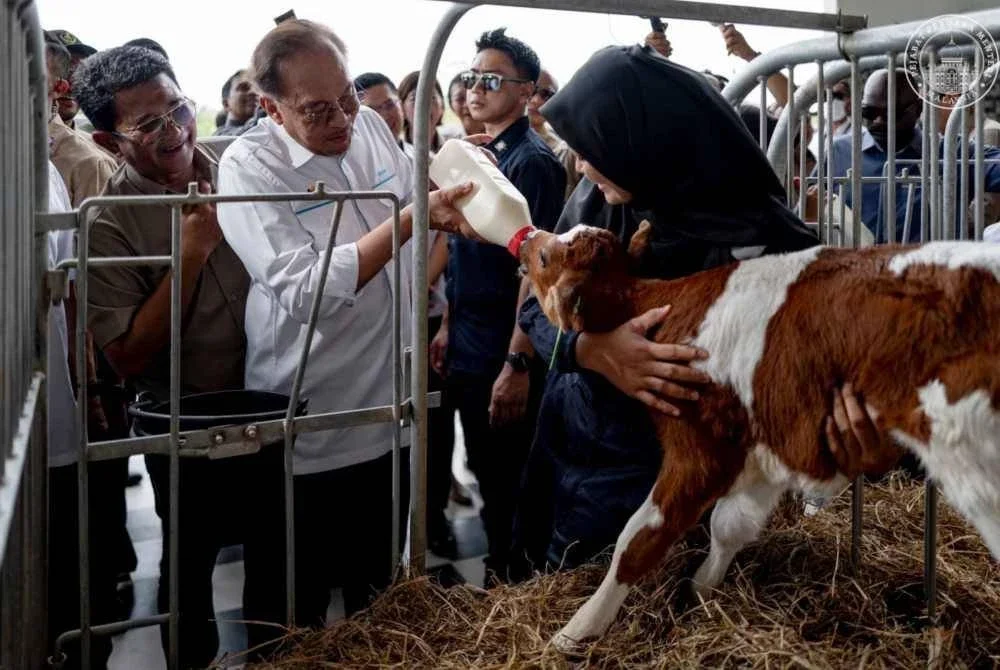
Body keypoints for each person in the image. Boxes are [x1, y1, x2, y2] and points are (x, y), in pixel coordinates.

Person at [510, 43, 822, 577]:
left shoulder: (763, 242)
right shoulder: (595, 200)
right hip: (579, 449)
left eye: (594, 149)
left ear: (644, 142)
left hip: (691, 473)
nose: (582, 165)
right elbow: (535, 307)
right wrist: (591, 350)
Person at [215, 19, 478, 626]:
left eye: (348, 98)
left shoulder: (367, 133)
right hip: (308, 412)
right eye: (316, 110)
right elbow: (305, 289)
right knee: (290, 600)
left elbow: (425, 177)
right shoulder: (249, 169)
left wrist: (466, 186)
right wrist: (412, 220)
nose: (341, 121)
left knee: (380, 589)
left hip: (391, 405)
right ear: (271, 108)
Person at [73, 45, 286, 667]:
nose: (175, 132)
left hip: (272, 398)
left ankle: (278, 657)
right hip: (183, 421)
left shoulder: (237, 167)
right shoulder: (108, 221)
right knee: (188, 565)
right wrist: (190, 254)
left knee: (277, 555)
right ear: (112, 141)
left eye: (178, 109)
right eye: (149, 124)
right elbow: (128, 358)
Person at [434, 28, 565, 583]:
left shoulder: (531, 162)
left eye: (492, 80)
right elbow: (464, 256)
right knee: (486, 468)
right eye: (471, 78)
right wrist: (445, 324)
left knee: (509, 471)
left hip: (501, 348)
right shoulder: (478, 155)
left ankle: (514, 579)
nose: (475, 89)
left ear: (527, 92)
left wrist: (517, 360)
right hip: (467, 337)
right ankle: (499, 563)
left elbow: (536, 268)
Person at [823, 68, 1000, 243]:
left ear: (918, 109)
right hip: (855, 268)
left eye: (891, 114)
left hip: (930, 268)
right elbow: (807, 204)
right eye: (869, 112)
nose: (878, 121)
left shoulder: (950, 151)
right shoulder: (839, 151)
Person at [526, 68, 580, 199]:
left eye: (546, 95)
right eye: (532, 91)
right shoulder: (489, 135)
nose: (536, 100)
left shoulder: (566, 151)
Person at [397, 70, 463, 156]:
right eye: (414, 99)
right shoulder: (397, 150)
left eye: (432, 97)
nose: (424, 105)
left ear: (442, 105)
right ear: (402, 108)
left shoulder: (456, 143)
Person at [45, 29, 97, 129]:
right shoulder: (13, 138)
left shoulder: (96, 143)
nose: (72, 86)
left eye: (81, 74)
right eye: (64, 73)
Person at [355, 72, 405, 143]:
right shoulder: (358, 153)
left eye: (389, 105)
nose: (384, 117)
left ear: (401, 105)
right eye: (372, 111)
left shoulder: (415, 151)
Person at [214, 69, 260, 137]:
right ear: (226, 104)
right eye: (244, 87)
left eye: (257, 88)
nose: (253, 92)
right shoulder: (219, 137)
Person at [448, 72, 485, 136]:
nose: (467, 104)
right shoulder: (444, 141)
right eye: (460, 99)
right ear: (451, 105)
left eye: (472, 97)